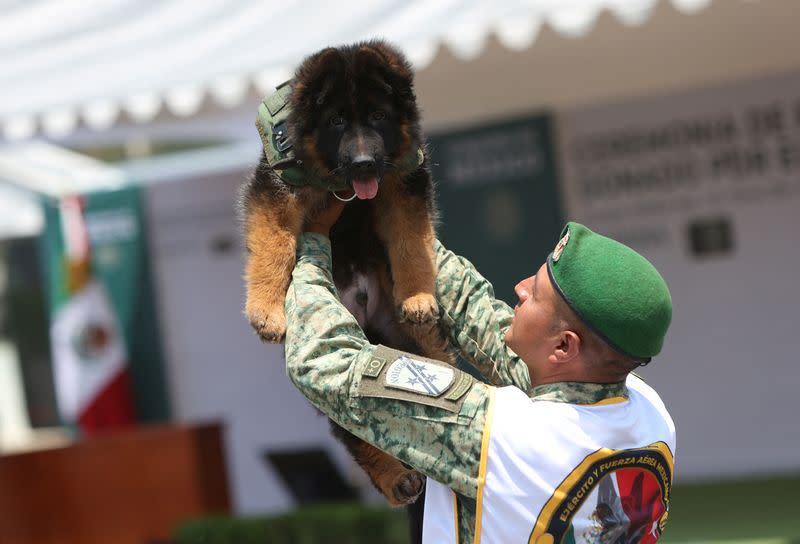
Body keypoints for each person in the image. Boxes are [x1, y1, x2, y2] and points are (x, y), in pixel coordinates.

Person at [285, 197, 676, 543]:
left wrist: (315, 240)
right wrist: (392, 212)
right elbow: (480, 318)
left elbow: (321, 362)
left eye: (535, 293)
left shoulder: (501, 434)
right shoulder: (649, 411)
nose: (520, 289)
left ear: (563, 346)